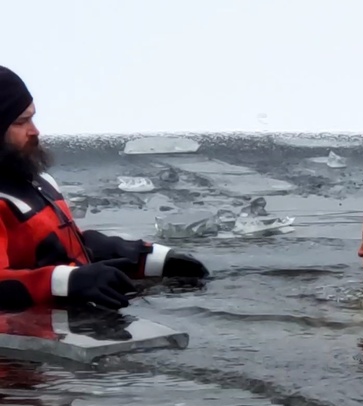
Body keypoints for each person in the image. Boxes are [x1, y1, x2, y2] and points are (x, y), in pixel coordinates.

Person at [0, 66, 208, 313]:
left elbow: (72, 247)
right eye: (22, 121)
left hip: (76, 325)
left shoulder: (38, 183)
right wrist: (69, 282)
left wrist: (152, 259)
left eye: (33, 118)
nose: (35, 131)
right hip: (27, 345)